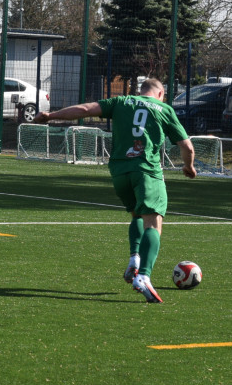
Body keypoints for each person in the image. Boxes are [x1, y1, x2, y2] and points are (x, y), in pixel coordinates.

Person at [35, 77, 196, 303]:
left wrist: (50, 116)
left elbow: (84, 109)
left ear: (141, 91)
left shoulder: (121, 101)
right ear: (161, 94)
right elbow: (186, 146)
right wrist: (188, 166)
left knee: (136, 215)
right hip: (146, 171)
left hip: (119, 172)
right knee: (153, 221)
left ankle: (134, 260)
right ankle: (145, 277)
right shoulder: (163, 108)